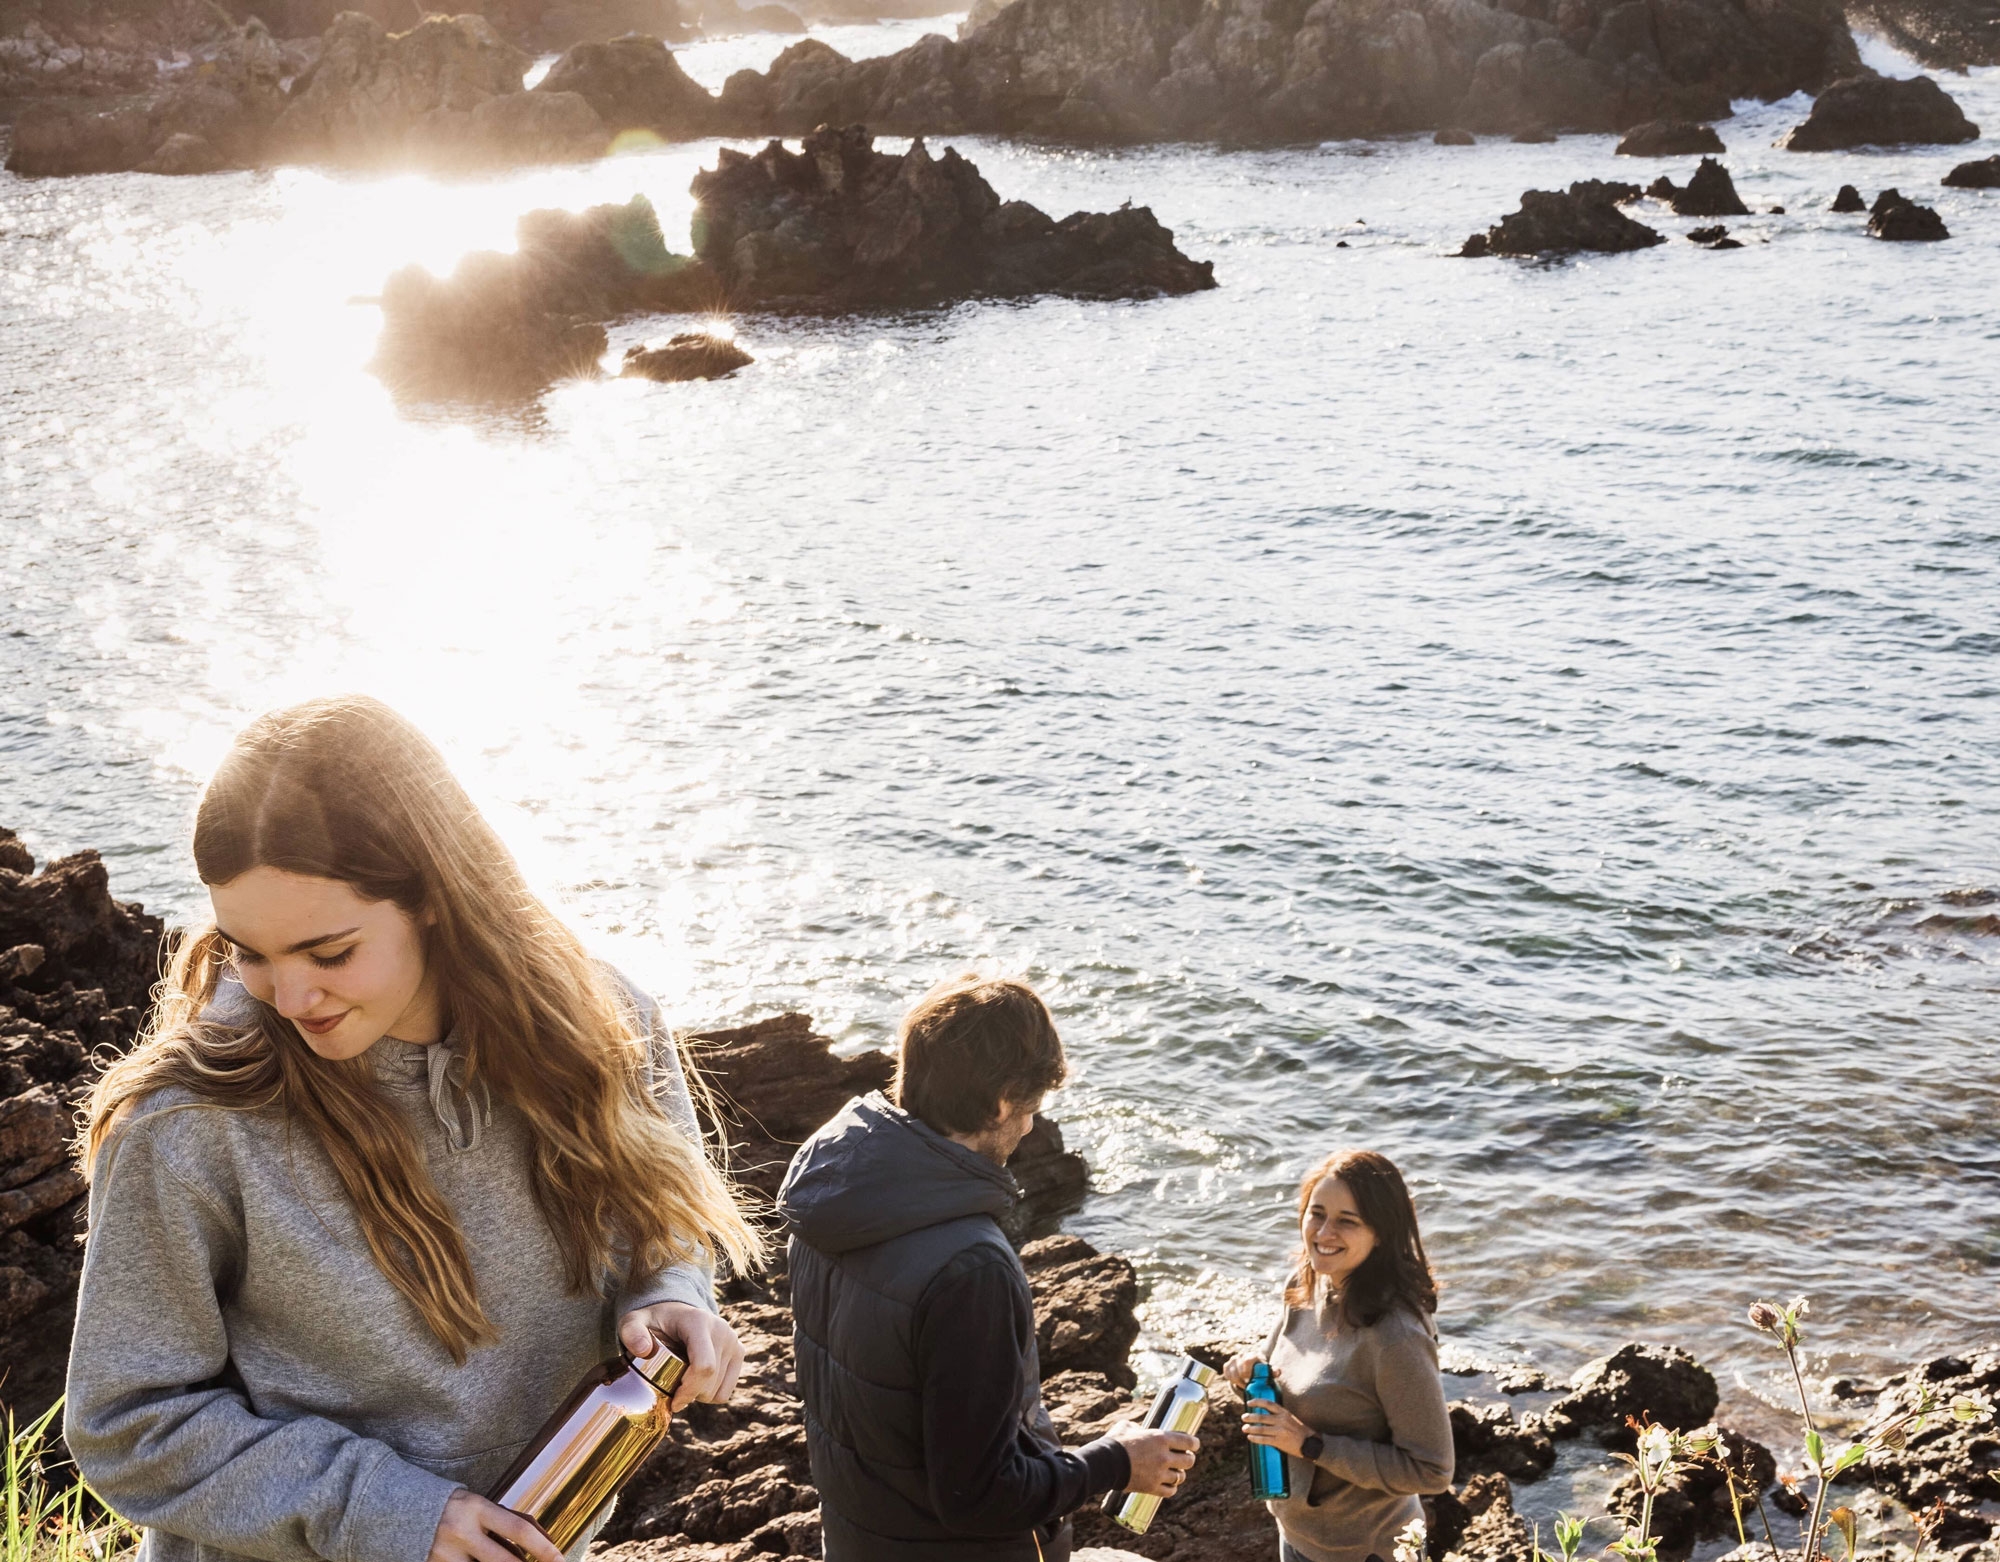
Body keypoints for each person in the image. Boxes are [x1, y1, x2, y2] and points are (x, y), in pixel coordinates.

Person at [65, 695, 764, 1562]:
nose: (288, 999)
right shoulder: (190, 1120)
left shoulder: (606, 1023)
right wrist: (390, 1512)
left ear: (434, 895)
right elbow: (125, 1424)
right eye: (248, 951)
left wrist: (670, 1296)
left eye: (328, 954)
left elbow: (668, 1218)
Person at [779, 974, 1199, 1562]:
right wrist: (1118, 1460)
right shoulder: (970, 1269)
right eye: (1032, 1108)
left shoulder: (830, 1196)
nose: (1031, 1127)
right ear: (1003, 1102)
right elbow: (977, 1495)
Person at [1225, 1149, 1454, 1562]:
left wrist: (1311, 1445)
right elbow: (1289, 1368)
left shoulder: (1395, 1337)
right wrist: (1251, 1367)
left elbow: (1432, 1470)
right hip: (1295, 1538)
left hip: (1369, 1552)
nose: (1324, 1232)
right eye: (1317, 1214)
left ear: (1381, 1232)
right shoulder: (1308, 1282)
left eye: (1347, 1221)